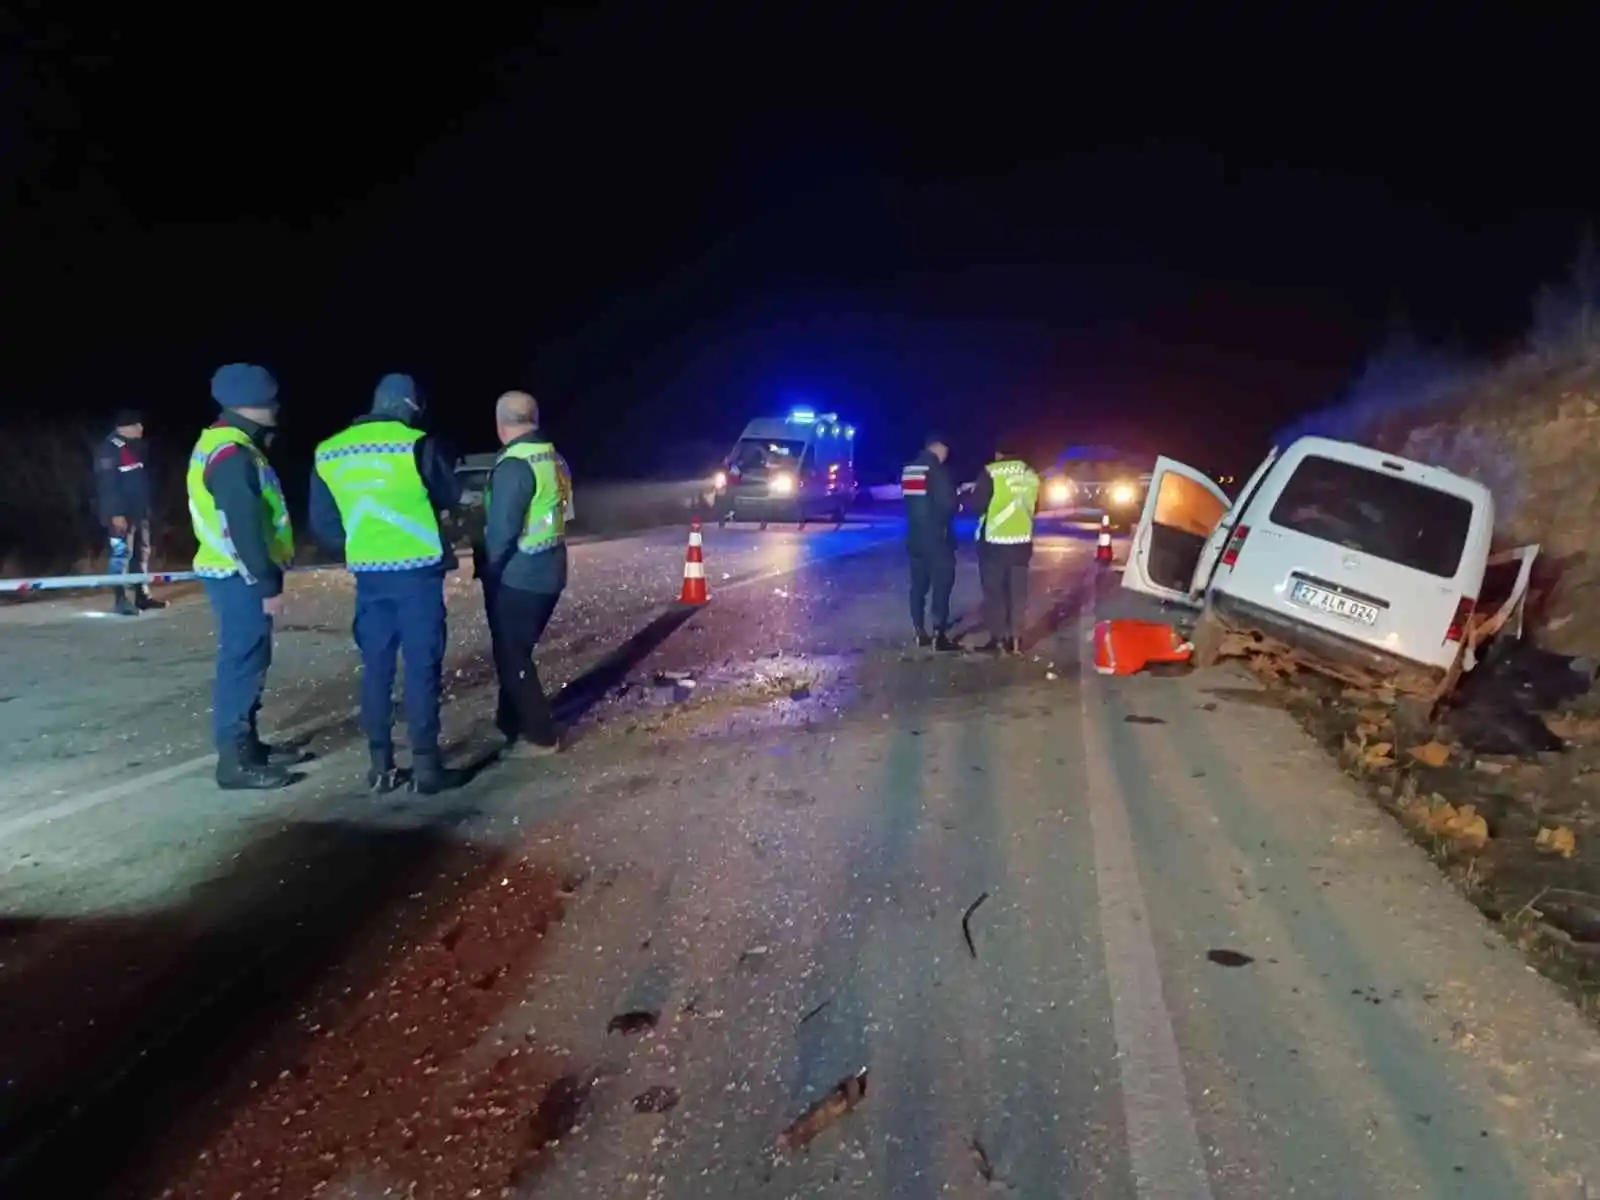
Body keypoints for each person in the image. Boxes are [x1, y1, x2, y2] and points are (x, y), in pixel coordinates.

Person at [310, 373, 465, 794]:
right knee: (421, 667)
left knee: (376, 669)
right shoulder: (416, 444)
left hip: (369, 576)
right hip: (417, 575)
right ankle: (427, 768)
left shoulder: (330, 451)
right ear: (412, 406)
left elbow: (323, 523)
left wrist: (363, 545)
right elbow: (450, 495)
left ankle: (380, 766)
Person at [187, 364, 300, 789]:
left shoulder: (224, 442)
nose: (277, 408)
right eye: (271, 401)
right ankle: (235, 761)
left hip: (234, 572)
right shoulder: (232, 453)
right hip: (239, 575)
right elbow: (243, 524)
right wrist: (266, 582)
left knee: (250, 657)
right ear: (254, 404)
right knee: (243, 661)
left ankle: (248, 746)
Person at [476, 390, 570, 758]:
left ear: (501, 426)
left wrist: (490, 567)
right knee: (517, 649)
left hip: (522, 574)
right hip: (552, 565)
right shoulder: (553, 457)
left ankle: (539, 736)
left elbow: (501, 532)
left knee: (512, 654)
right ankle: (509, 721)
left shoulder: (515, 464)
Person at [93, 408, 168, 615]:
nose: (141, 428)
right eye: (137, 425)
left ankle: (142, 596)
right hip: (120, 514)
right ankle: (121, 600)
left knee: (141, 554)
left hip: (139, 511)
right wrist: (115, 513)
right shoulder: (109, 450)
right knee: (120, 555)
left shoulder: (135, 447)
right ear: (124, 428)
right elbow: (107, 485)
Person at [969, 442, 1041, 656]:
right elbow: (1035, 507)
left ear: (998, 453)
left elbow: (977, 505)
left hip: (994, 543)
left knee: (995, 592)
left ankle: (998, 640)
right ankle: (1016, 640)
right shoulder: (1031, 475)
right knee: (1017, 592)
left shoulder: (991, 472)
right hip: (1021, 542)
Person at [900, 433, 960, 650]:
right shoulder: (937, 470)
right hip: (938, 539)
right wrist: (958, 499)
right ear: (938, 448)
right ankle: (939, 634)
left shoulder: (909, 469)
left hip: (915, 537)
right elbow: (948, 504)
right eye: (945, 451)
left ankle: (919, 631)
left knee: (918, 587)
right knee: (942, 585)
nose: (947, 455)